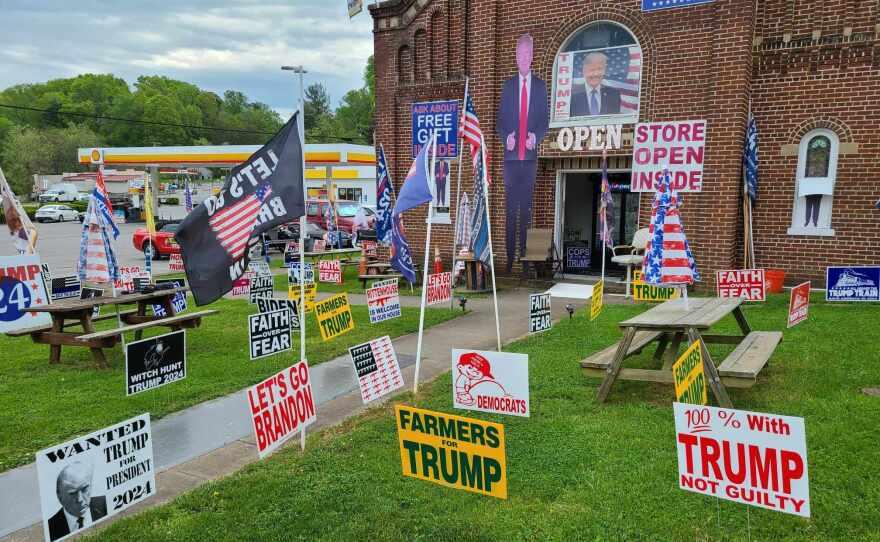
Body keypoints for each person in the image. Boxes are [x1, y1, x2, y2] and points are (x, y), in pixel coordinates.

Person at [496, 33, 550, 273]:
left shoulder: (539, 87)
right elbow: (499, 123)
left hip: (528, 161)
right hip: (510, 161)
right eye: (521, 54)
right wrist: (505, 136)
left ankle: (526, 261)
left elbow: (544, 122)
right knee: (510, 212)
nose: (524, 58)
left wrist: (535, 137)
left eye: (528, 54)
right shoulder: (508, 87)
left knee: (526, 213)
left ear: (532, 56)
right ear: (516, 57)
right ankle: (509, 260)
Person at [47, 461, 107, 541]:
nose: (80, 499)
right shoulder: (51, 527)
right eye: (72, 493)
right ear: (59, 496)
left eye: (85, 489)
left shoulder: (104, 504)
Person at [570, 52, 622, 116]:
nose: (596, 74)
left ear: (604, 70)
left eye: (599, 69)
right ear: (584, 71)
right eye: (592, 70)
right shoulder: (573, 95)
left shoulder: (614, 94)